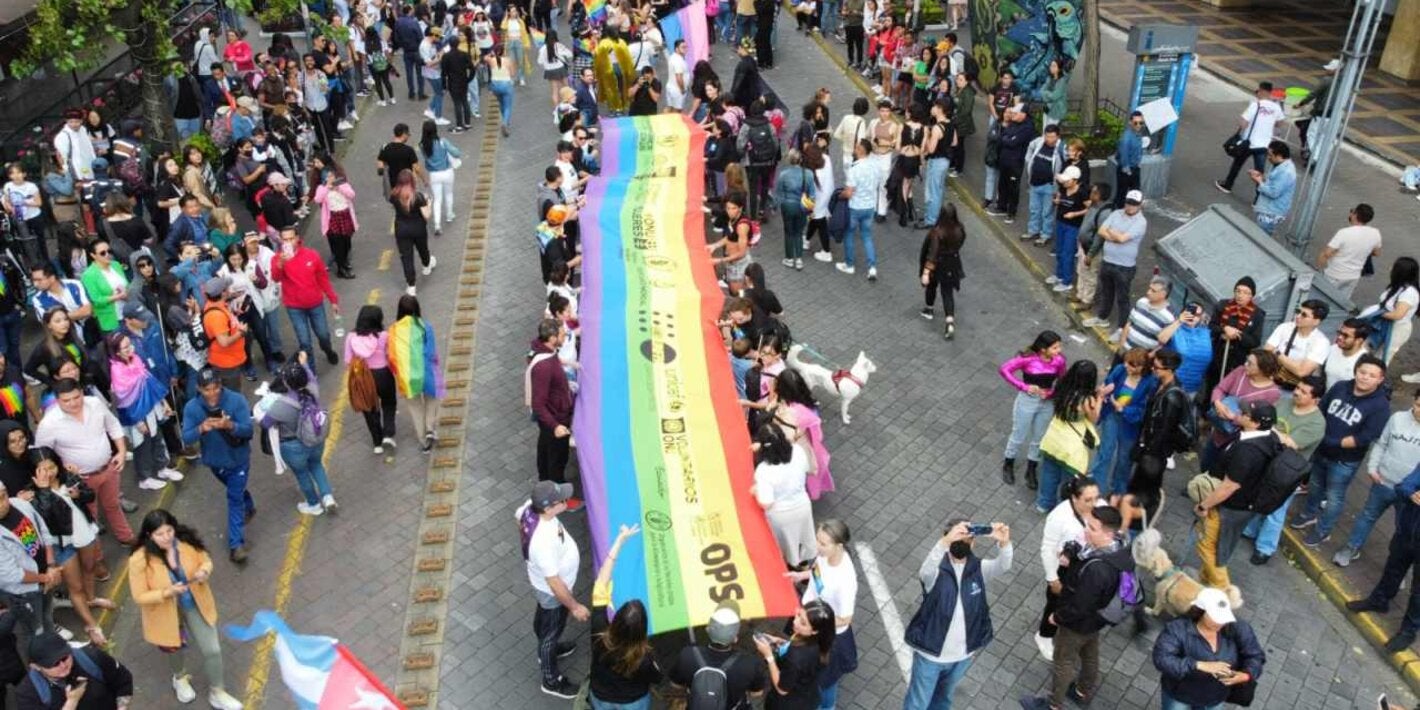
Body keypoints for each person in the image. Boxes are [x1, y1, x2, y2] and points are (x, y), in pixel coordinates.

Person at [127, 509, 243, 709]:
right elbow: (139, 596)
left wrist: (204, 570)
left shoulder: (186, 542)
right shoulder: (139, 560)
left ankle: (218, 691)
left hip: (194, 604)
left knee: (213, 650)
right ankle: (179, 677)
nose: (166, 538)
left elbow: (205, 560)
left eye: (169, 531)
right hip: (165, 613)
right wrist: (166, 593)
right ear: (149, 535)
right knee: (174, 649)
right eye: (159, 534)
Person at [1019, 506, 1131, 710]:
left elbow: (1079, 606)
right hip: (1097, 618)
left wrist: (1057, 617)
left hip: (1078, 623)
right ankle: (1082, 690)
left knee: (1063, 662)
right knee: (1090, 652)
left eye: (1093, 528)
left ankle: (1053, 705)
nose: (1087, 531)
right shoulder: (1121, 546)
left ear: (1108, 533)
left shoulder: (1097, 570)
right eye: (1088, 525)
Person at [902, 520, 1013, 709]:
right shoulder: (935, 573)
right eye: (956, 538)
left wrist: (1004, 543)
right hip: (931, 656)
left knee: (943, 701)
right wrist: (944, 542)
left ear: (973, 542)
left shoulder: (978, 569)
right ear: (947, 540)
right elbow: (925, 570)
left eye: (966, 538)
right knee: (918, 704)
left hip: (961, 656)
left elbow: (1003, 565)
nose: (962, 542)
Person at [1291, 355, 1391, 547]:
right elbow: (1321, 408)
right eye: (1362, 372)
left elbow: (1364, 437)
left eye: (1371, 375)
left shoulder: (1380, 406)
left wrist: (1331, 441)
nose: (1365, 377)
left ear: (1380, 379)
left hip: (1345, 460)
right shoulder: (1340, 387)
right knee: (1314, 484)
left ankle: (1323, 530)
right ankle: (1308, 514)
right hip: (1320, 450)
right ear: (1356, 370)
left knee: (1335, 496)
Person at [1194, 401, 1279, 593]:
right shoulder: (1270, 438)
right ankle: (1205, 584)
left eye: (1245, 413)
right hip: (1245, 506)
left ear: (1256, 423)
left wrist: (1204, 505)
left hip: (1230, 507)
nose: (1239, 413)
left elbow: (1229, 486)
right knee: (1221, 547)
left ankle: (1224, 592)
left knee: (1209, 548)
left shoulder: (1247, 451)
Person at [27, 447, 109, 647]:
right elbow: (45, 516)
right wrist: (44, 490)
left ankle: (91, 599)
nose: (49, 472)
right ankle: (91, 625)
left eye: (52, 466)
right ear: (34, 472)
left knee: (89, 568)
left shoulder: (69, 476)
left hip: (84, 533)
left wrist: (79, 493)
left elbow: (90, 496)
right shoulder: (32, 494)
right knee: (75, 586)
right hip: (62, 544)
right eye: (43, 469)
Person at [34, 379, 131, 544]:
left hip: (108, 468)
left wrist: (121, 451)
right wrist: (63, 469)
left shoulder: (95, 403)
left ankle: (126, 537)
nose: (73, 403)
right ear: (57, 400)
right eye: (66, 400)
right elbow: (43, 455)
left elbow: (113, 425)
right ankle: (97, 558)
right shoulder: (49, 423)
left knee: (113, 505)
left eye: (76, 397)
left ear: (82, 393)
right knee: (88, 517)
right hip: (80, 479)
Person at [1243, 374, 1326, 565]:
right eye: (1298, 388)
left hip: (1288, 471)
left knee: (1276, 510)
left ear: (1316, 399)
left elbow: (1290, 443)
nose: (1296, 392)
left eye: (1303, 392)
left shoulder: (1317, 423)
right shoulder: (1285, 402)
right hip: (1270, 459)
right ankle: (1250, 530)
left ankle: (1265, 548)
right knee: (1258, 496)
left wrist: (1267, 428)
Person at [1333, 390, 1420, 567]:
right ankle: (1352, 547)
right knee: (1367, 516)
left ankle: (1396, 565)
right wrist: (1372, 468)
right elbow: (1382, 444)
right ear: (1413, 401)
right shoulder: (1397, 418)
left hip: (1409, 493)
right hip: (1383, 481)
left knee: (1402, 531)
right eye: (1419, 405)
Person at [518, 481, 586, 698]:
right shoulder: (543, 543)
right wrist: (574, 607)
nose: (566, 501)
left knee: (545, 620)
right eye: (562, 500)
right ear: (548, 508)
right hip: (553, 593)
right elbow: (555, 584)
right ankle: (551, 680)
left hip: (543, 589)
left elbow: (517, 516)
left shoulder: (530, 508)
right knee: (551, 631)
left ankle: (546, 647)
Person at [180, 368, 254, 563]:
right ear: (199, 389)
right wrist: (201, 428)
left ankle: (235, 545)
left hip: (239, 460)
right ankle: (249, 503)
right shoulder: (191, 408)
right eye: (207, 390)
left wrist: (230, 426)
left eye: (215, 388)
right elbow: (186, 437)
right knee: (236, 491)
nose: (212, 393)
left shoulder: (237, 400)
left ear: (220, 385)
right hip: (215, 463)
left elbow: (248, 430)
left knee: (233, 498)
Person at [1151, 587, 1265, 710]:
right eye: (1215, 617)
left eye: (1223, 617)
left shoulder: (1239, 628)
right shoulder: (1177, 629)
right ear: (1200, 611)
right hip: (1179, 696)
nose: (1220, 623)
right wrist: (1198, 665)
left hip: (1215, 698)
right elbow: (1161, 659)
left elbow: (1255, 656)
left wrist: (1246, 675)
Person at [1346, 464, 1420, 653]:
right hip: (1406, 533)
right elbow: (1403, 486)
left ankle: (1408, 631)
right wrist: (1411, 493)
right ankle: (1379, 601)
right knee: (1392, 571)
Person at [585, 523, 659, 709]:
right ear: (642, 631)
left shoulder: (599, 630)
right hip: (632, 704)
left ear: (616, 620)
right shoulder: (643, 658)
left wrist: (620, 541)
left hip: (600, 697)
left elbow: (602, 581)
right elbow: (657, 678)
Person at [786, 520, 857, 708]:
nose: (817, 546)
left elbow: (846, 618)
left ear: (839, 546)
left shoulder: (846, 580)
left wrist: (815, 624)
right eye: (817, 540)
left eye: (823, 543)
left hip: (824, 634)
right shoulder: (825, 557)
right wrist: (801, 576)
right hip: (810, 620)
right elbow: (817, 572)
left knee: (825, 684)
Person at [1035, 477, 1098, 663]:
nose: (1094, 503)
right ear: (1074, 498)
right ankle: (1045, 635)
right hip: (1064, 569)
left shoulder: (1098, 507)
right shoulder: (1059, 516)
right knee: (1055, 603)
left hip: (1086, 565)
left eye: (1096, 497)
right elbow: (1047, 548)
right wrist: (1052, 579)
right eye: (1088, 500)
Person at [999, 331, 1066, 489]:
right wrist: (1024, 386)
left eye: (1059, 346)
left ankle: (1031, 469)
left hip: (1047, 402)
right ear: (1043, 349)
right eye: (1055, 347)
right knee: (1018, 434)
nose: (1059, 351)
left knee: (1039, 437)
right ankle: (1008, 463)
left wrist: (1051, 393)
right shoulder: (1027, 358)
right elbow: (1004, 370)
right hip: (1027, 400)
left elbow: (1063, 380)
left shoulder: (1059, 361)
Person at [0, 479, 58, 656]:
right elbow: (11, 574)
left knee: (47, 616)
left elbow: (43, 531)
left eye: (2, 497)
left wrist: (51, 565)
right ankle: (41, 665)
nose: (1, 505)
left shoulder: (19, 504)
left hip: (45, 575)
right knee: (33, 631)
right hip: (23, 593)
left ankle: (56, 651)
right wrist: (47, 578)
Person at [1035, 361, 1102, 512]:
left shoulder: (1062, 387)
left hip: (1053, 439)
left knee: (1049, 473)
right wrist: (1100, 399)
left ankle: (1043, 504)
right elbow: (1094, 418)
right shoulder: (1087, 399)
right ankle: (1061, 509)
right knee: (1068, 482)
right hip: (1071, 448)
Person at [271, 229, 342, 370]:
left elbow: (323, 278)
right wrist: (281, 264)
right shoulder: (278, 258)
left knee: (323, 335)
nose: (289, 242)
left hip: (315, 304)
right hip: (294, 307)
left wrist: (333, 300)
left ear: (297, 238)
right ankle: (312, 374)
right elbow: (275, 278)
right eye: (285, 239)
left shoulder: (312, 255)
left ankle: (328, 350)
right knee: (305, 342)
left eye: (291, 238)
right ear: (281, 240)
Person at [1090, 349, 1156, 496]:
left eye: (1132, 365)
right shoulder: (1120, 370)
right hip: (1112, 416)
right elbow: (1108, 382)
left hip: (1130, 424)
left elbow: (1144, 409)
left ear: (1141, 367)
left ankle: (1118, 491)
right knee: (1105, 452)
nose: (1127, 366)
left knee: (1124, 459)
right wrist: (1104, 390)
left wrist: (1123, 409)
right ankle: (1096, 486)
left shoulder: (1150, 382)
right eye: (1127, 362)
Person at [1080, 190, 1147, 332]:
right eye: (1129, 203)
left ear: (1140, 205)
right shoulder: (1116, 213)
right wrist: (1116, 236)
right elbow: (1101, 231)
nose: (1130, 206)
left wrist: (1113, 234)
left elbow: (1123, 239)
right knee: (1106, 292)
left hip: (1125, 266)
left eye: (1134, 204)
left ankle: (1122, 328)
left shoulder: (1141, 222)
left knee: (1123, 298)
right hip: (1108, 260)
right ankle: (1102, 318)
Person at [752, 423, 816, 567]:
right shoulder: (798, 451)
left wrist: (756, 491)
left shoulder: (763, 470)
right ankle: (804, 567)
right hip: (802, 507)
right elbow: (806, 469)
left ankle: (791, 568)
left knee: (786, 546)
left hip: (780, 517)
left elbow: (766, 502)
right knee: (803, 539)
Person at [17, 632, 133, 710]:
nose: (63, 665)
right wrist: (72, 702)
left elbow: (123, 681)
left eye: (64, 657)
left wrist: (122, 707)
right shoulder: (29, 693)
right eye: (54, 664)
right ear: (36, 666)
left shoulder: (91, 657)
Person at [753, 600, 835, 709]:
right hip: (809, 696)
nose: (795, 622)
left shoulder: (795, 658)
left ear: (814, 631)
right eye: (798, 615)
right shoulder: (822, 641)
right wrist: (782, 643)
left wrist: (769, 656)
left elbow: (781, 689)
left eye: (803, 623)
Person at [388, 295, 444, 454]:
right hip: (426, 372)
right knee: (432, 401)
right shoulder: (425, 326)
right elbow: (432, 352)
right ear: (417, 309)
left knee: (415, 408)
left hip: (407, 378)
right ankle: (430, 428)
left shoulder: (393, 330)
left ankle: (424, 442)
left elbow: (391, 357)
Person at [346, 305, 398, 455]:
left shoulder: (351, 337)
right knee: (389, 403)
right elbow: (390, 356)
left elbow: (348, 360)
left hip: (363, 377)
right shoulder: (384, 336)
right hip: (383, 374)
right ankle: (388, 433)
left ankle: (377, 442)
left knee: (369, 409)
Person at [1215, 81, 1282, 196]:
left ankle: (1228, 185)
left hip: (1249, 143)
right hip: (1264, 144)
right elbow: (1279, 123)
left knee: (1237, 164)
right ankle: (1258, 197)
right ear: (1270, 92)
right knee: (1259, 171)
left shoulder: (1255, 105)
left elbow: (1243, 122)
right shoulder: (1276, 107)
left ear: (1260, 91)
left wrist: (1242, 131)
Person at [1207, 277, 1267, 394]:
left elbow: (1255, 341)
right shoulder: (1223, 305)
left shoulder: (1257, 314)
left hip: (1237, 359)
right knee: (1210, 386)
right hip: (1217, 353)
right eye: (1238, 291)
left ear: (1251, 296)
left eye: (1245, 292)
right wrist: (1224, 329)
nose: (1240, 295)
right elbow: (1211, 326)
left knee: (1228, 389)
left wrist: (1238, 335)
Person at [836, 139, 885, 281]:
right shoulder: (875, 166)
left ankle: (849, 264)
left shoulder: (854, 169)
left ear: (860, 150)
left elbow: (849, 192)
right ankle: (872, 267)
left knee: (849, 234)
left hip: (855, 207)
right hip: (869, 207)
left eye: (856, 147)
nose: (854, 149)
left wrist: (840, 195)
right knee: (867, 236)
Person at [918, 204, 966, 339]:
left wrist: (926, 272)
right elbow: (962, 241)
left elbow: (932, 254)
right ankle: (949, 322)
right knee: (947, 292)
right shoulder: (960, 229)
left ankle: (929, 308)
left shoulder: (937, 232)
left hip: (939, 264)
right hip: (952, 263)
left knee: (932, 286)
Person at [388, 169, 437, 297]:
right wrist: (429, 203)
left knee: (406, 257)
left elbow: (395, 205)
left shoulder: (394, 195)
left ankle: (411, 286)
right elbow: (426, 215)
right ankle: (426, 266)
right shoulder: (419, 197)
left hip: (401, 229)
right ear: (412, 181)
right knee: (422, 249)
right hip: (418, 228)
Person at [1316, 203, 1381, 299]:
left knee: (1322, 299)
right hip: (1353, 276)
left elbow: (1327, 253)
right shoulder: (1375, 233)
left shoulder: (1344, 233)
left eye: (1352, 211)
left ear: (1355, 215)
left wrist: (1318, 269)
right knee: (1341, 303)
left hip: (1335, 274)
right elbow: (1377, 253)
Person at [199, 276, 248, 393]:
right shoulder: (216, 315)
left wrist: (236, 314)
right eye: (227, 288)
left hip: (230, 360)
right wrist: (242, 332)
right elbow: (224, 342)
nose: (229, 290)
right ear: (223, 293)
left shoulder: (217, 306)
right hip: (226, 364)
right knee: (232, 394)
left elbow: (226, 326)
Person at [311, 158, 358, 279]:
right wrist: (327, 187)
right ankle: (341, 268)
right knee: (338, 244)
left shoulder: (343, 184)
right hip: (333, 218)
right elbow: (317, 199)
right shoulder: (322, 188)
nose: (331, 178)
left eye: (332, 175)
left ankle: (345, 263)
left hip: (345, 215)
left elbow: (352, 195)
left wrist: (339, 188)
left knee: (347, 242)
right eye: (328, 176)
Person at [772, 149, 813, 270]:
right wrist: (810, 207)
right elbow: (813, 194)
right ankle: (799, 259)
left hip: (788, 206)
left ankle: (789, 258)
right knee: (799, 233)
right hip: (802, 206)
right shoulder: (809, 174)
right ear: (800, 160)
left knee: (789, 232)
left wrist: (775, 206)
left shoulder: (784, 175)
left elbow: (778, 193)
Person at [1021, 123, 1063, 244]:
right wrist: (1028, 160)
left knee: (1047, 212)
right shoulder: (1038, 142)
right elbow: (1030, 147)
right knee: (1034, 209)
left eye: (1052, 137)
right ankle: (1033, 230)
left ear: (1058, 137)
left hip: (1049, 186)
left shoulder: (1060, 149)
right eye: (1047, 136)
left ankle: (1045, 234)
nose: (1049, 139)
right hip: (1034, 183)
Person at [1249, 140, 1296, 235]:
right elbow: (1274, 181)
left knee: (1260, 237)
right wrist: (1262, 176)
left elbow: (1273, 192)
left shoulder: (1285, 172)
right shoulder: (1281, 166)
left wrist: (1259, 182)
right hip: (1270, 210)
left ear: (1279, 156)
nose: (1268, 158)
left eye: (1270, 155)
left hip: (1271, 212)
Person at [1324, 318, 1371, 388]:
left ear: (1359, 341)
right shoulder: (1332, 349)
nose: (1340, 337)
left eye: (1345, 336)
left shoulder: (1366, 362)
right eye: (1339, 333)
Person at [1114, 112, 1144, 209]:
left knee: (1135, 193)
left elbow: (1138, 150)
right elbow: (1124, 155)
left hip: (1134, 168)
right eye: (1136, 123)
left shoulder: (1137, 135)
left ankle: (1131, 210)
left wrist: (1138, 163)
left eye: (1141, 123)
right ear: (1130, 122)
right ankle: (1118, 211)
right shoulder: (1126, 138)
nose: (1138, 125)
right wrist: (1127, 170)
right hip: (1127, 170)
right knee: (1122, 194)